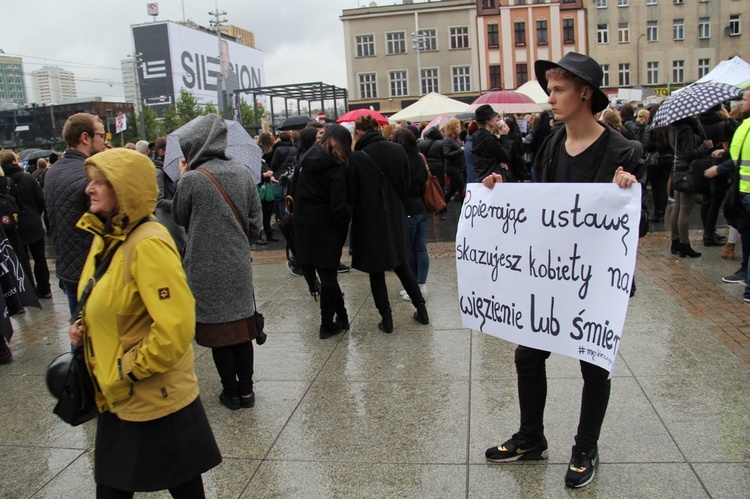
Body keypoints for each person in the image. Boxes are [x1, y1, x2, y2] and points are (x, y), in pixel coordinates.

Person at [482, 52, 642, 489]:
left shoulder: (623, 150)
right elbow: (543, 203)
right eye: (550, 90)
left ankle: (585, 447)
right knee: (528, 355)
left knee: (595, 365)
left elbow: (636, 226)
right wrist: (502, 190)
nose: (550, 98)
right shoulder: (552, 141)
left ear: (584, 93)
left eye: (557, 90)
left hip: (595, 280)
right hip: (550, 273)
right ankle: (531, 437)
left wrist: (628, 191)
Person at [68, 148, 221, 498]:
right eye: (89, 182)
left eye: (99, 183)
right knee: (131, 482)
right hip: (117, 392)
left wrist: (127, 370)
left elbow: (175, 327)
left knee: (170, 483)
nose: (89, 189)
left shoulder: (149, 242)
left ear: (126, 189)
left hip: (150, 392)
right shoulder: (105, 237)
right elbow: (102, 297)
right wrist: (83, 326)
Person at [172, 114, 263, 411]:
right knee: (240, 328)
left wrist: (184, 176)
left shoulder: (193, 180)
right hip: (237, 263)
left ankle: (231, 393)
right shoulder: (241, 173)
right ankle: (248, 391)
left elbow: (178, 218)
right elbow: (255, 224)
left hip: (203, 266)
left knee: (220, 331)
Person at [348, 115, 429, 333]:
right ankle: (421, 310)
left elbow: (352, 195)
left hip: (369, 218)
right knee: (401, 262)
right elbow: (404, 183)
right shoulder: (397, 150)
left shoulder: (356, 157)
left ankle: (387, 319)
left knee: (376, 271)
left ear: (359, 132)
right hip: (395, 213)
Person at [44, 112, 109, 314]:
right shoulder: (90, 172)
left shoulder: (53, 171)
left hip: (66, 266)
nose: (105, 140)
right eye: (102, 135)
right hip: (92, 269)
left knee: (78, 329)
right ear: (85, 137)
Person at [293, 124, 352, 339]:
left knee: (326, 274)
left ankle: (343, 317)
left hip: (305, 224)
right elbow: (338, 205)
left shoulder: (305, 160)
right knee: (328, 275)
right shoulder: (335, 165)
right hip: (327, 227)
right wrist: (346, 219)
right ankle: (327, 324)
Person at [0, 151, 50, 298]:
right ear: (14, 161)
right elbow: (41, 200)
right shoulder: (28, 178)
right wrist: (36, 213)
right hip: (33, 222)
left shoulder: (4, 181)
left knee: (22, 260)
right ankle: (44, 288)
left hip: (14, 226)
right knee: (40, 257)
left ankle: (30, 290)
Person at [392, 127, 430, 301]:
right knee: (421, 248)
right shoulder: (419, 157)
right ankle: (420, 284)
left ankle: (415, 286)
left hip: (407, 209)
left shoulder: (401, 160)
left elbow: (400, 186)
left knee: (409, 250)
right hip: (421, 207)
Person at [670, 116, 713, 257]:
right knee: (685, 208)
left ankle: (675, 241)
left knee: (677, 206)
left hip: (677, 170)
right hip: (686, 171)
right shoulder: (686, 128)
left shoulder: (674, 127)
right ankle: (684, 244)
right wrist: (705, 146)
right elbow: (689, 153)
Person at [152, 136, 187, 254]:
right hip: (168, 222)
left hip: (174, 222)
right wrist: (178, 204)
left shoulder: (167, 169)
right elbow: (158, 200)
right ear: (161, 151)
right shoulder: (159, 170)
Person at [471, 104, 513, 182]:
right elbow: (506, 156)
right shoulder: (490, 139)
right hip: (494, 178)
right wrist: (504, 136)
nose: (496, 119)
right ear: (488, 120)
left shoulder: (475, 137)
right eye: (494, 117)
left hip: (482, 177)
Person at [442, 118, 466, 203]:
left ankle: (441, 208)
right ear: (452, 128)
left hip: (457, 167)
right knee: (461, 188)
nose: (459, 128)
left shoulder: (456, 138)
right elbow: (446, 154)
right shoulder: (448, 140)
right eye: (456, 127)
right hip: (453, 169)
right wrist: (460, 151)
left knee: (452, 190)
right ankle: (463, 208)